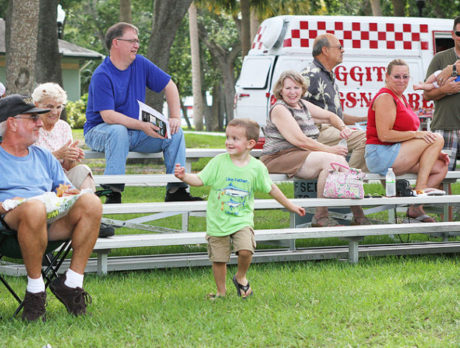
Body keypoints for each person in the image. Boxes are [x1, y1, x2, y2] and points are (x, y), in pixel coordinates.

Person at [174, 118, 305, 299]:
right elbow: (200, 180)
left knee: (246, 250)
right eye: (228, 137)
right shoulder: (219, 162)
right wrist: (184, 177)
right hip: (218, 221)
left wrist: (291, 205)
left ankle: (240, 276)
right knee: (219, 259)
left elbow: (271, 189)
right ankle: (221, 292)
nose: (229, 141)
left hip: (241, 220)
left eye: (235, 138)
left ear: (250, 143)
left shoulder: (256, 168)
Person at [0, 94, 101, 321]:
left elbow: (62, 188)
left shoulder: (43, 156)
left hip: (49, 224)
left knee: (91, 202)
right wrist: (7, 204)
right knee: (34, 206)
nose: (40, 124)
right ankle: (35, 293)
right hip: (9, 233)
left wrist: (74, 195)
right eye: (33, 118)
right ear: (12, 123)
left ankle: (71, 283)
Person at [85, 22, 201, 203]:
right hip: (100, 131)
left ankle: (176, 190)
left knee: (175, 134)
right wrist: (142, 125)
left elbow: (170, 86)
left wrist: (175, 117)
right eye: (131, 41)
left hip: (133, 133)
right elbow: (108, 116)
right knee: (117, 130)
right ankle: (112, 192)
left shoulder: (140, 63)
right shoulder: (102, 74)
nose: (136, 45)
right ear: (116, 43)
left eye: (137, 41)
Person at [260, 70, 369, 227]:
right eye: (288, 88)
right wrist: (329, 149)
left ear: (302, 89)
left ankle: (356, 215)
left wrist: (343, 127)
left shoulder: (303, 105)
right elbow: (300, 140)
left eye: (296, 88)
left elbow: (330, 116)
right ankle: (323, 215)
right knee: (331, 159)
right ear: (280, 90)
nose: (292, 92)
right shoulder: (279, 109)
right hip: (278, 157)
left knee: (337, 161)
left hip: (301, 154)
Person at [365, 59, 449, 222]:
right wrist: (415, 134)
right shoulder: (385, 97)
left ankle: (414, 209)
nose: (402, 80)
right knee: (436, 138)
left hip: (396, 152)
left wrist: (434, 152)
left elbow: (406, 135)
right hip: (380, 153)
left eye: (405, 76)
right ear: (387, 77)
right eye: (397, 76)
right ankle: (419, 194)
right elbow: (384, 135)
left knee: (440, 166)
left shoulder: (401, 97)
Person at [31, 83, 114, 238]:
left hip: (62, 179)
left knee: (83, 170)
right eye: (49, 106)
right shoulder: (32, 126)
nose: (55, 112)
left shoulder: (63, 127)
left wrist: (71, 157)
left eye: (59, 107)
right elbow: (30, 161)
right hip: (40, 182)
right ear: (37, 105)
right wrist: (57, 154)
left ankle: (93, 218)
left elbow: (68, 167)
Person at [301, 33, 368, 172]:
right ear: (325, 50)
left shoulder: (326, 75)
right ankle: (347, 181)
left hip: (330, 130)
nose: (343, 50)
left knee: (370, 135)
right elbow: (294, 106)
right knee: (366, 139)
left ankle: (344, 180)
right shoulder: (311, 75)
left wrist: (365, 119)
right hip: (315, 133)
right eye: (339, 47)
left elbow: (336, 115)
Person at [423, 16, 460, 170]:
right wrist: (444, 90)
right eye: (459, 33)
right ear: (452, 35)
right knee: (440, 174)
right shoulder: (440, 58)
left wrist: (451, 70)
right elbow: (426, 94)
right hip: (445, 127)